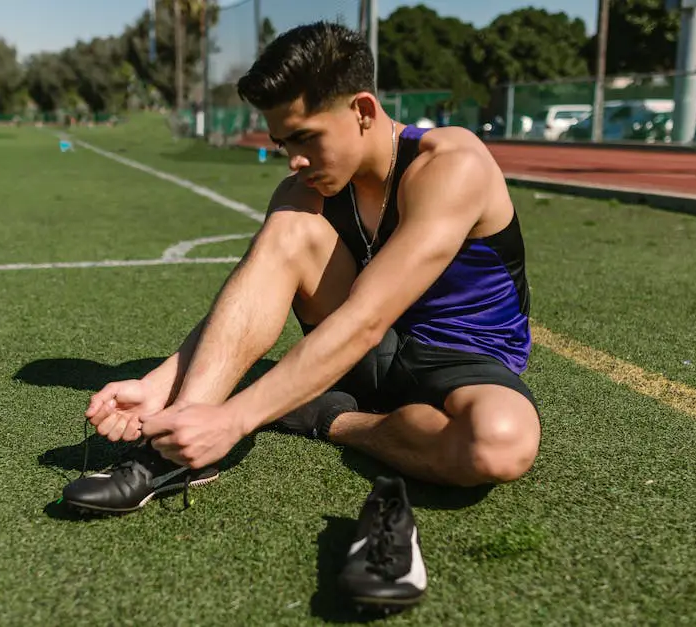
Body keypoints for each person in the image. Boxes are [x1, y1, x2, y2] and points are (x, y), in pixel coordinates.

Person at [62, 22, 541, 515]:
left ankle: (327, 417)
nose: (293, 159)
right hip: (361, 354)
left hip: (461, 355)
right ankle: (175, 453)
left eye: (305, 138)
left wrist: (234, 420)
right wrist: (158, 385)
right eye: (282, 143)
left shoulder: (450, 164)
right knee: (288, 228)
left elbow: (366, 319)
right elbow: (249, 300)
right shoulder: (303, 190)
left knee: (499, 444)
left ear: (363, 111)